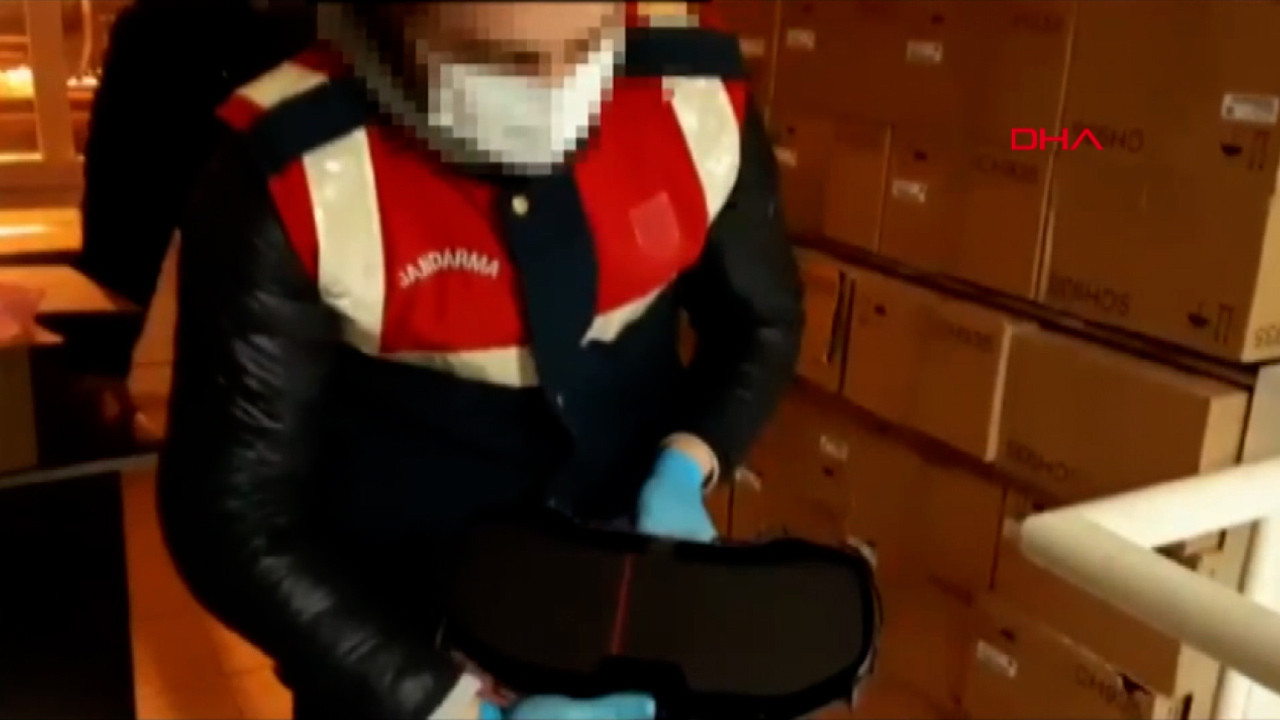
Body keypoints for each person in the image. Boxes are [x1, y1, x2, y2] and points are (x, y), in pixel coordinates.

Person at [157, 2, 803, 719]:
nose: (561, 87)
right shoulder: (293, 175)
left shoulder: (690, 96)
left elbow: (761, 326)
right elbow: (232, 518)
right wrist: (443, 702)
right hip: (395, 646)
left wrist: (688, 463)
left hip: (623, 630)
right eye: (507, 63)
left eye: (592, 45)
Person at [65, 0, 312, 430]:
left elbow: (127, 200)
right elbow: (128, 204)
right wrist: (102, 357)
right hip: (259, 340)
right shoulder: (169, 34)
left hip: (330, 340)